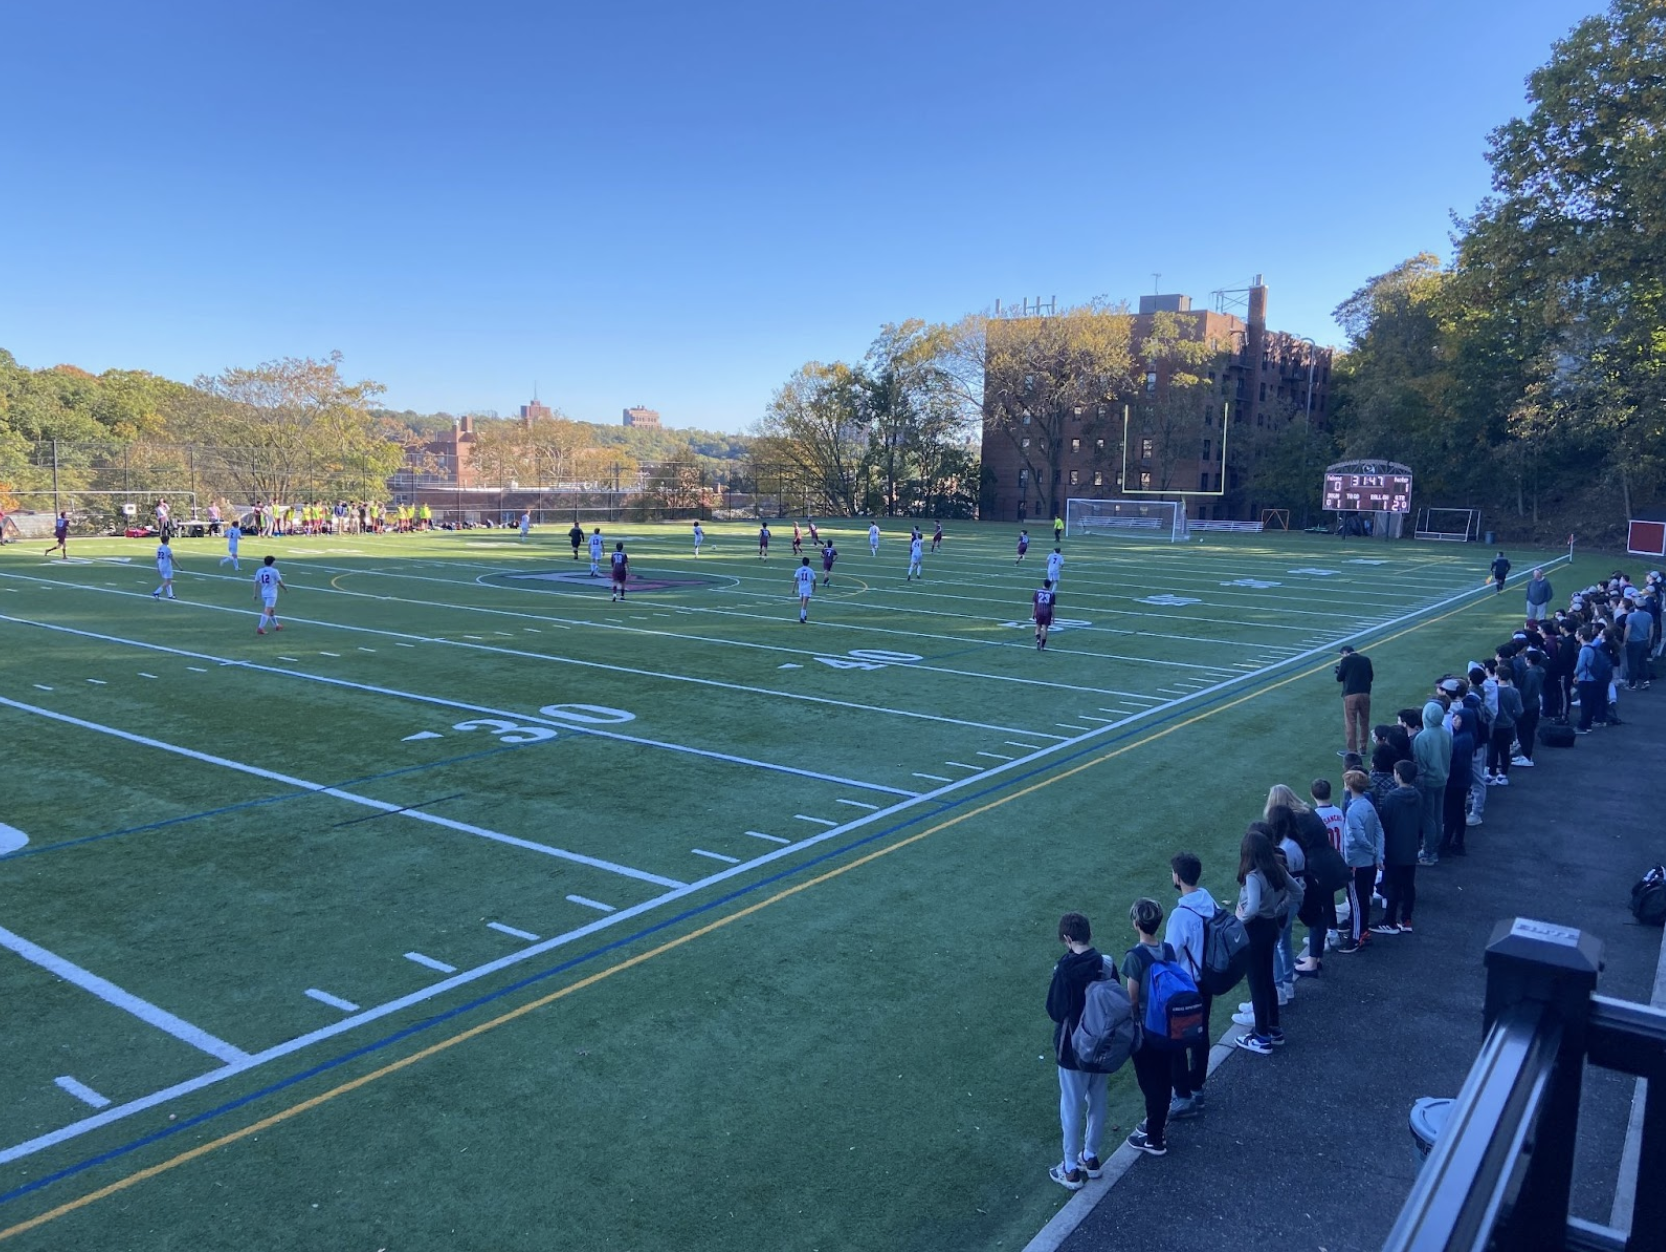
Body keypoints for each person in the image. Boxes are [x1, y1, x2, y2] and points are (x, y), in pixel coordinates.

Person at [1045, 912, 1109, 1191]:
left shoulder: (1064, 970)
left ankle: (1070, 1168)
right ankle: (1091, 1156)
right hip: (1103, 1045)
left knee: (1071, 1106)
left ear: (1068, 939)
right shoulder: (1106, 964)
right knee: (1098, 1101)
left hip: (1072, 1049)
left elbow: (1055, 1011)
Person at [1164, 853, 1216, 1119]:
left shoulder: (1181, 915)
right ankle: (1197, 1088)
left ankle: (1183, 1096)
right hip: (1207, 980)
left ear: (1178, 877)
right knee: (1201, 1035)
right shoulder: (1208, 900)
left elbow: (1169, 953)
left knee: (1177, 1042)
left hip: (1186, 987)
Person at [1121, 898, 1175, 1157]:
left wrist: (1131, 1024)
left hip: (1145, 1028)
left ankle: (1155, 1137)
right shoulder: (1169, 949)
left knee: (1150, 1081)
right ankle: (1156, 1124)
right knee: (1164, 1077)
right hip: (1169, 1024)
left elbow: (1131, 997)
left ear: (1136, 924)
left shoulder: (1135, 957)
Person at [1233, 826, 1289, 1055]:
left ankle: (1261, 1035)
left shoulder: (1253, 877)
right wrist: (1276, 910)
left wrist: (1240, 917)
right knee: (1267, 980)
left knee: (1257, 983)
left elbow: (1252, 907)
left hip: (1254, 932)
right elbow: (1297, 894)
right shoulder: (1277, 870)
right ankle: (1274, 1029)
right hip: (1271, 927)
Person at [1337, 770, 1384, 952]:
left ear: (1349, 787)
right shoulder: (1368, 805)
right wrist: (1378, 854)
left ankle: (1356, 939)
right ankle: (1363, 933)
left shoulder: (1353, 810)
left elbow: (1358, 838)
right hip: (1369, 862)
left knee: (1356, 901)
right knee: (1364, 899)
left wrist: (1373, 851)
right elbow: (1379, 830)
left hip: (1356, 863)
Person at [1373, 760, 1422, 933]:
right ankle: (1406, 919)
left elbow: (1384, 824)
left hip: (1394, 848)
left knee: (1391, 885)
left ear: (1398, 776)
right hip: (1411, 848)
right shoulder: (1418, 795)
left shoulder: (1392, 798)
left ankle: (1389, 920)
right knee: (1408, 885)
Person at [1412, 700, 1452, 865]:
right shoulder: (1445, 733)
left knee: (1428, 817)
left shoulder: (1422, 737)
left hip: (1429, 781)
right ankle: (1435, 845)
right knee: (1438, 813)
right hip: (1443, 778)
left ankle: (1429, 851)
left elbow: (1420, 764)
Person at [1335, 645, 1375, 757]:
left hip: (1351, 695)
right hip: (1365, 694)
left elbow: (1339, 678)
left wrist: (1339, 671)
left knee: (1351, 722)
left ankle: (1352, 750)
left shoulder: (1345, 660)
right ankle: (1363, 747)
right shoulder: (1366, 660)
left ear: (1345, 653)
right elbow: (1371, 677)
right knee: (1364, 721)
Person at [1486, 667, 1522, 786]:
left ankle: (1491, 774)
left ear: (1497, 675)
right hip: (1508, 725)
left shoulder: (1493, 691)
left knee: (1493, 750)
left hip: (1494, 725)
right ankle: (1503, 774)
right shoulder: (1514, 692)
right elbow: (1519, 711)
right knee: (1505, 751)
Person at [253, 555, 286, 634]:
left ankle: (276, 625)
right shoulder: (274, 571)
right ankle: (260, 628)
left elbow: (256, 582)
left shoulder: (259, 570)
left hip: (264, 593)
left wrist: (255, 594)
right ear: (272, 562)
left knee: (271, 610)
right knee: (267, 611)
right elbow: (280, 582)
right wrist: (285, 588)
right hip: (272, 594)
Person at [1033, 579, 1057, 650]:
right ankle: (1042, 646)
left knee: (1038, 627)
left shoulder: (1037, 592)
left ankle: (1038, 639)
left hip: (1039, 611)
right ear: (1050, 585)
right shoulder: (1051, 594)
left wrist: (1033, 613)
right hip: (1047, 612)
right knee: (1045, 629)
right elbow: (1052, 607)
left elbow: (1034, 603)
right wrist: (1053, 617)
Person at [793, 556, 816, 623]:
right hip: (807, 588)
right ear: (808, 563)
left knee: (803, 603)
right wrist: (814, 587)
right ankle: (802, 617)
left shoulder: (799, 570)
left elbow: (795, 579)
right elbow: (814, 579)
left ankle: (804, 615)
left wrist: (793, 588)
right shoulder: (810, 570)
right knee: (804, 604)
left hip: (801, 588)